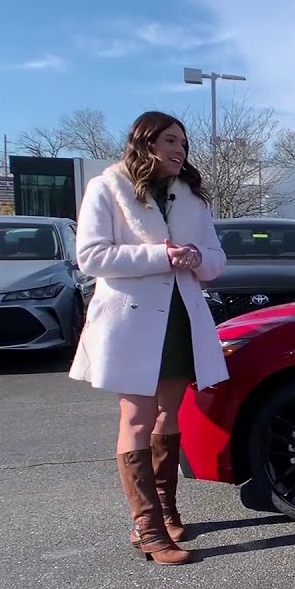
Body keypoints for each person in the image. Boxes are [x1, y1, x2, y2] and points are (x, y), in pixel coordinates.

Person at [69, 110, 229, 565]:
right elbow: (92, 257)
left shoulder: (192, 198)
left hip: (180, 318)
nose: (180, 150)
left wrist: (197, 256)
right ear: (146, 142)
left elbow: (217, 261)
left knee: (167, 415)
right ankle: (147, 526)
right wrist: (160, 255)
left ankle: (166, 508)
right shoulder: (107, 187)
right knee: (137, 417)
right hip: (131, 321)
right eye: (171, 141)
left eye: (183, 143)